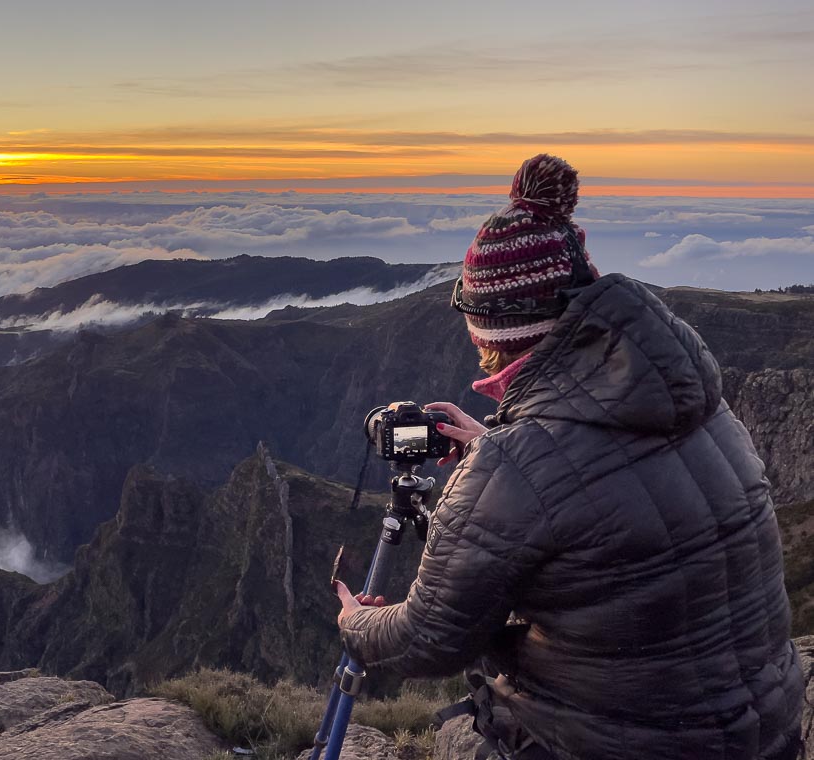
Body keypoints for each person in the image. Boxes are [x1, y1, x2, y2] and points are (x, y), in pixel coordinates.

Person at [334, 154, 803, 760]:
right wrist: (494, 452)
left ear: (493, 332)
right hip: (768, 731)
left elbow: (427, 641)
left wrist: (355, 621)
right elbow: (618, 489)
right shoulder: (705, 410)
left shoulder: (516, 467)